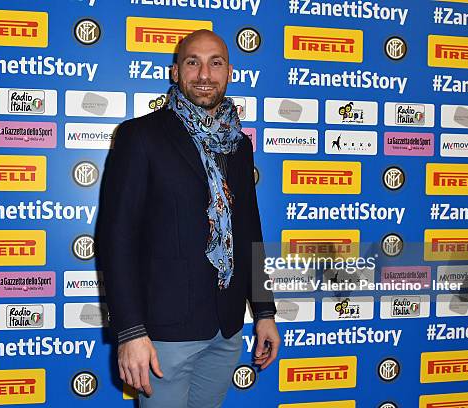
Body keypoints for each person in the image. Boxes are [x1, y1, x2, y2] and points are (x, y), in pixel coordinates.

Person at [96, 29, 280, 408]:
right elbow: (118, 238)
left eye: (216, 63)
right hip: (163, 333)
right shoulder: (140, 135)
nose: (204, 74)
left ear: (229, 72)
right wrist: (130, 332)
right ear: (176, 72)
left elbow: (249, 228)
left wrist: (263, 311)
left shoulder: (239, 144)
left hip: (225, 328)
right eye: (193, 62)